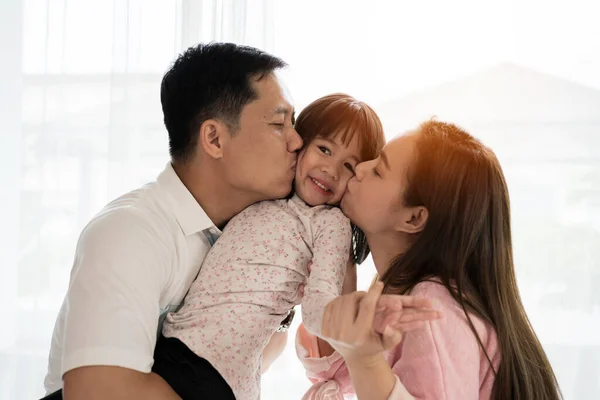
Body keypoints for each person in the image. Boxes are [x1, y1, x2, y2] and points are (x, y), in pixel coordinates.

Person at [42, 42, 303, 400]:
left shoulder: (252, 236)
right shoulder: (130, 233)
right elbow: (99, 394)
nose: (297, 141)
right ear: (214, 138)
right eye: (279, 123)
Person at [152, 93, 395, 400]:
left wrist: (350, 311)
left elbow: (318, 307)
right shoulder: (268, 190)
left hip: (216, 371)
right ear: (300, 143)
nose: (331, 170)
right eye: (324, 149)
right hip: (172, 345)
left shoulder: (330, 223)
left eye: (349, 165)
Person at [297, 120, 563, 399]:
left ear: (414, 218)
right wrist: (342, 298)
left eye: (378, 170)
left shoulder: (433, 306)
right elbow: (342, 380)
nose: (361, 168)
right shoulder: (404, 292)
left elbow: (364, 371)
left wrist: (365, 359)